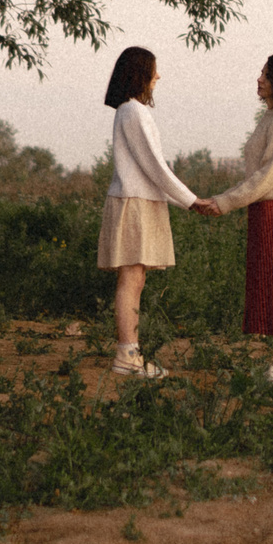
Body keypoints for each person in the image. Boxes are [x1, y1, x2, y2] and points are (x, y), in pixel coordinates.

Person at [194, 53, 273, 384]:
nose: (259, 79)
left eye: (266, 75)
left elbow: (268, 175)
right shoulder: (271, 117)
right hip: (265, 209)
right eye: (260, 73)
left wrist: (223, 202)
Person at [100, 45, 202, 379]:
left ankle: (130, 352)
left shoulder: (132, 111)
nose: (158, 76)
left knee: (136, 277)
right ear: (140, 73)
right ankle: (127, 355)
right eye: (154, 69)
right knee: (131, 277)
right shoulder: (133, 111)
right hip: (134, 202)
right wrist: (191, 200)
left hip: (141, 201)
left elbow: (153, 169)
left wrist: (184, 200)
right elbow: (155, 166)